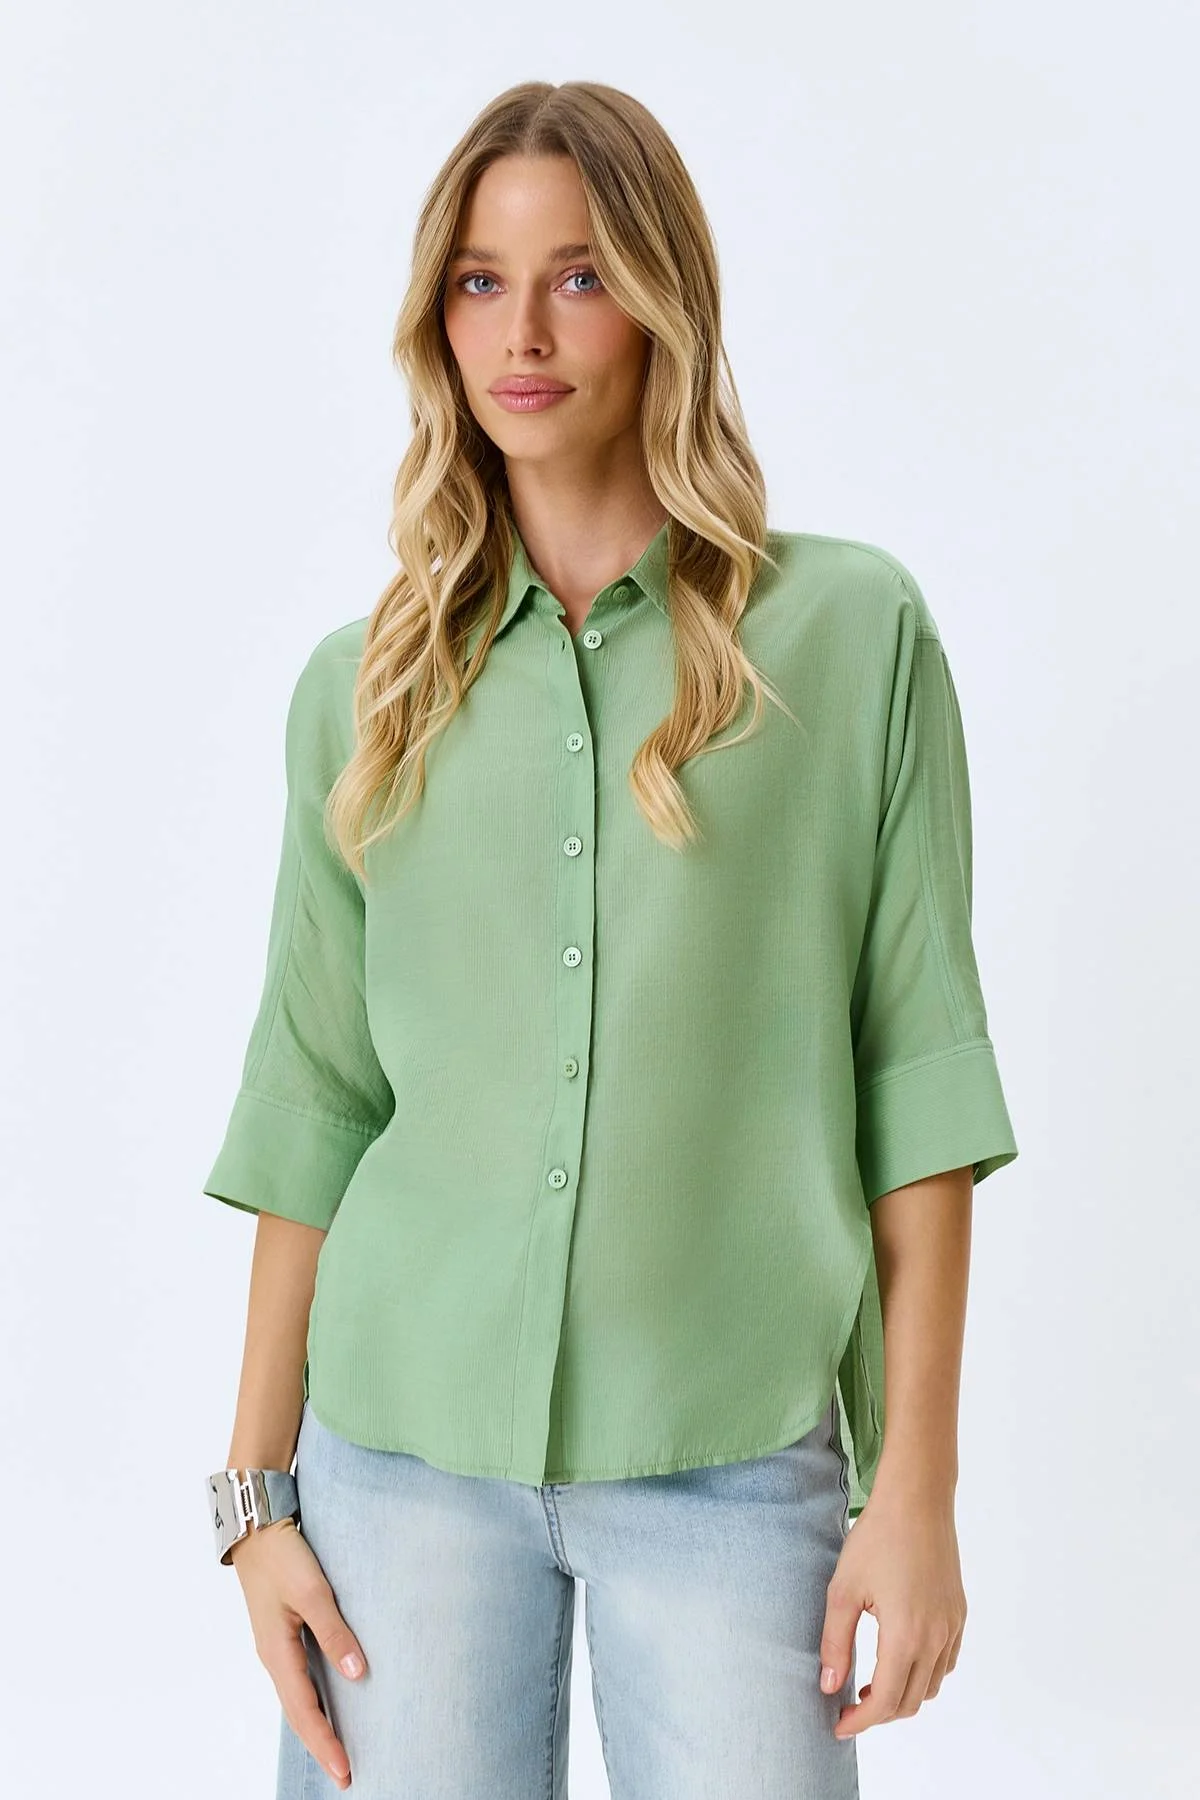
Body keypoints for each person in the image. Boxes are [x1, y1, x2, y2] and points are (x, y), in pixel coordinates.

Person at [201, 79, 1019, 1800]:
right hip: (398, 1471)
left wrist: (916, 1491)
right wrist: (256, 1499)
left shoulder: (851, 636)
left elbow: (920, 1084)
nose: (524, 331)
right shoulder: (362, 693)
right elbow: (317, 1100)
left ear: (661, 300)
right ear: (438, 318)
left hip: (732, 1461)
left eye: (578, 276)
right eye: (480, 282)